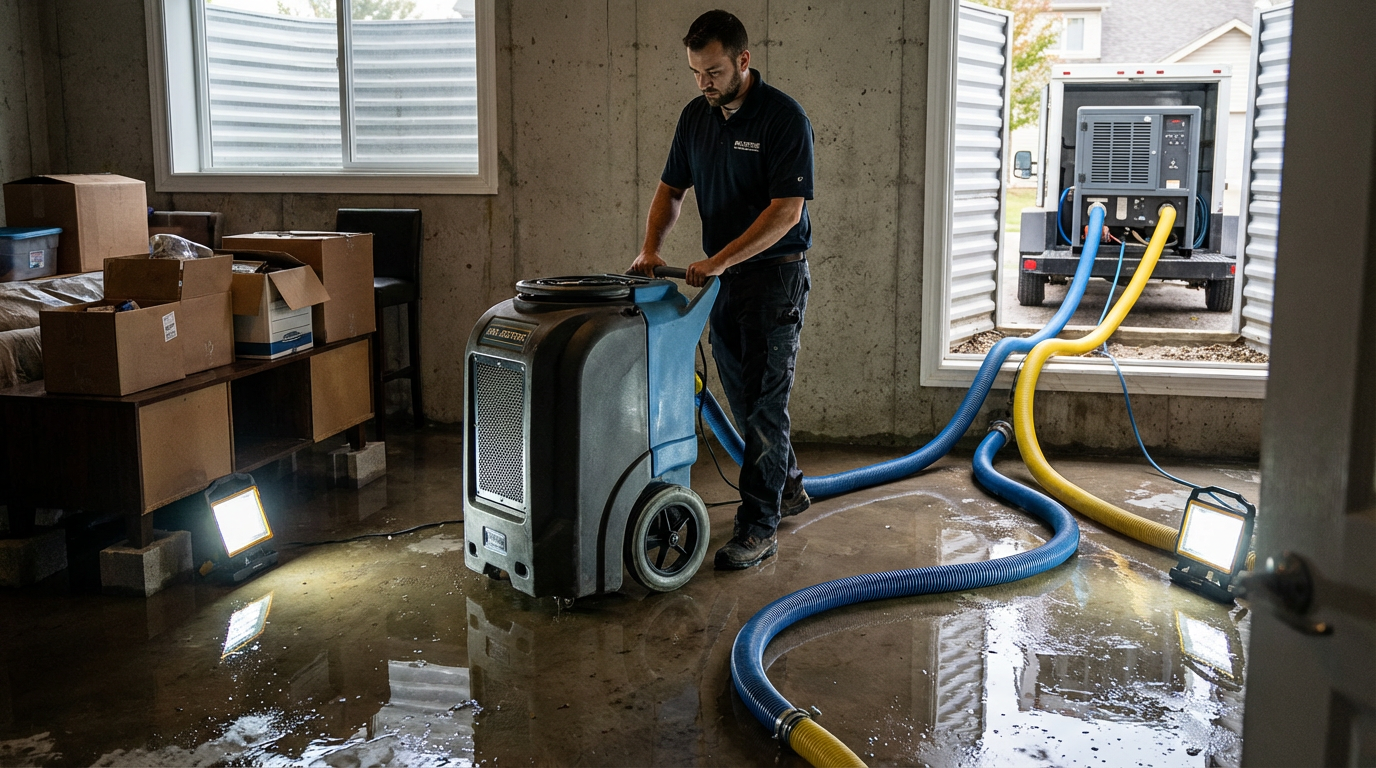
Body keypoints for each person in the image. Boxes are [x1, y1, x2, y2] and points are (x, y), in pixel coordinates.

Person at [630, 9, 815, 570]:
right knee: (744, 400)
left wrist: (719, 259)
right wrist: (651, 249)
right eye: (694, 72)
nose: (703, 82)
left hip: (774, 279)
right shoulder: (696, 118)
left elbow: (786, 212)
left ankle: (758, 529)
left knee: (764, 406)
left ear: (742, 60)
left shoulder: (783, 118)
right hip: (723, 283)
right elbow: (671, 191)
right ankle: (788, 488)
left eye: (712, 71)